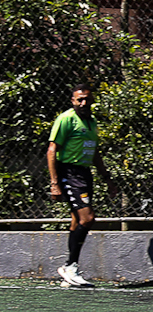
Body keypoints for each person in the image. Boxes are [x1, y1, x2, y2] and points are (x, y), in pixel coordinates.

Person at [48, 84, 116, 288]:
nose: (84, 103)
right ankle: (69, 266)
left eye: (87, 99)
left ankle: (70, 272)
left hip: (84, 173)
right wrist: (54, 183)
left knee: (76, 220)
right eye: (80, 99)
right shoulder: (66, 119)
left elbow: (95, 153)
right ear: (73, 101)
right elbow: (52, 150)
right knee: (88, 218)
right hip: (69, 172)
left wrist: (108, 180)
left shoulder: (92, 122)